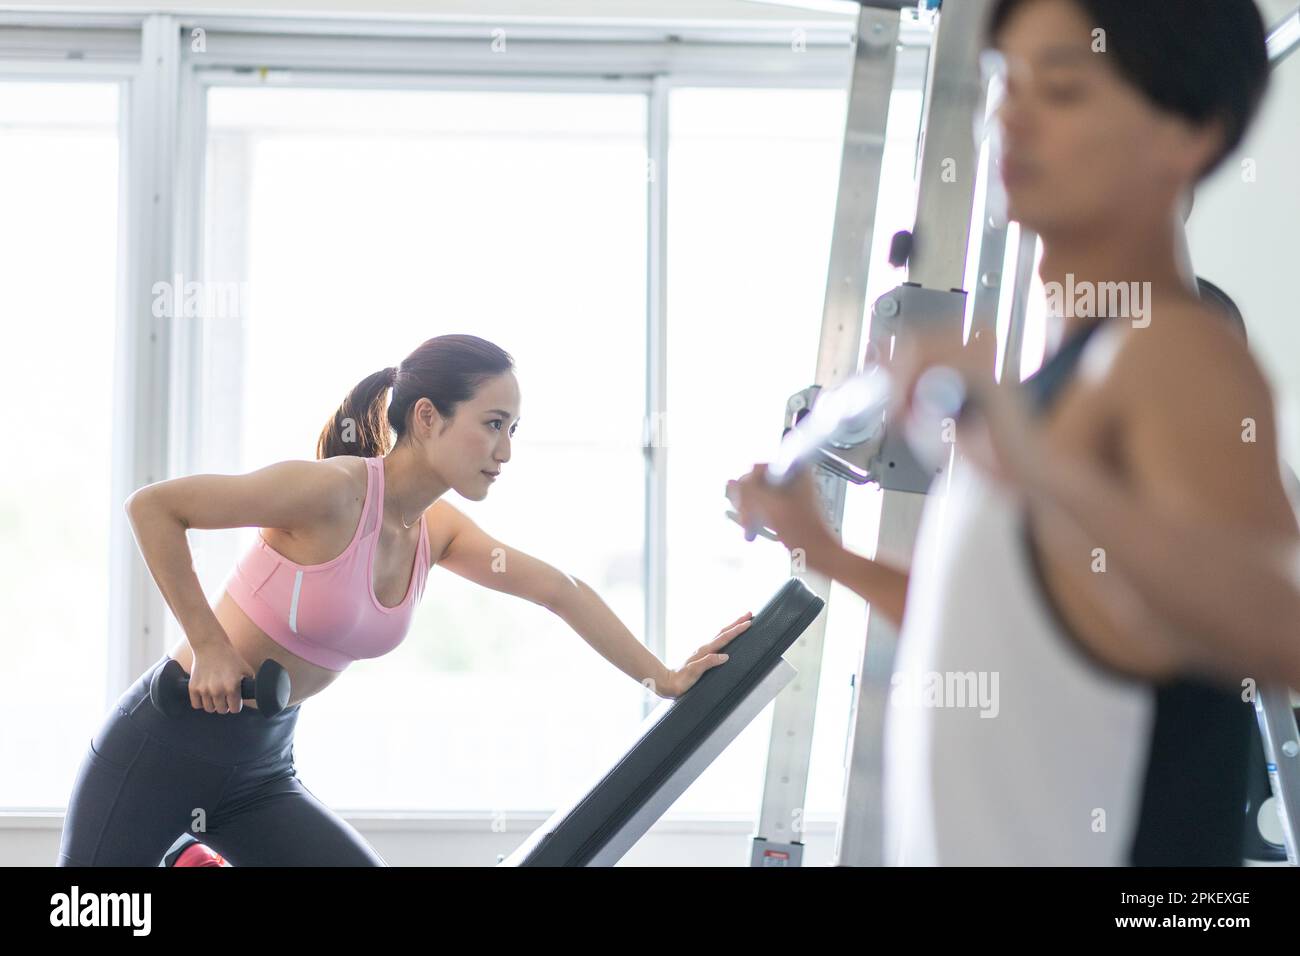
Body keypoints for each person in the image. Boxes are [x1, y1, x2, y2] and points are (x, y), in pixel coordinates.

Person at [728, 0, 1299, 865]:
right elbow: (1018, 633)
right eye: (1006, 81)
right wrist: (825, 549)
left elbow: (1278, 624)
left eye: (1063, 87)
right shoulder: (1047, 390)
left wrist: (1036, 468)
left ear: (1189, 135)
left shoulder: (1169, 354)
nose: (1011, 115)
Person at [59, 332, 751, 866]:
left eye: (514, 430)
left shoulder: (436, 532)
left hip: (259, 766)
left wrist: (663, 676)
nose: (506, 450)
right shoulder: (332, 492)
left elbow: (559, 591)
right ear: (427, 417)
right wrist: (208, 644)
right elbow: (154, 508)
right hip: (163, 748)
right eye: (492, 423)